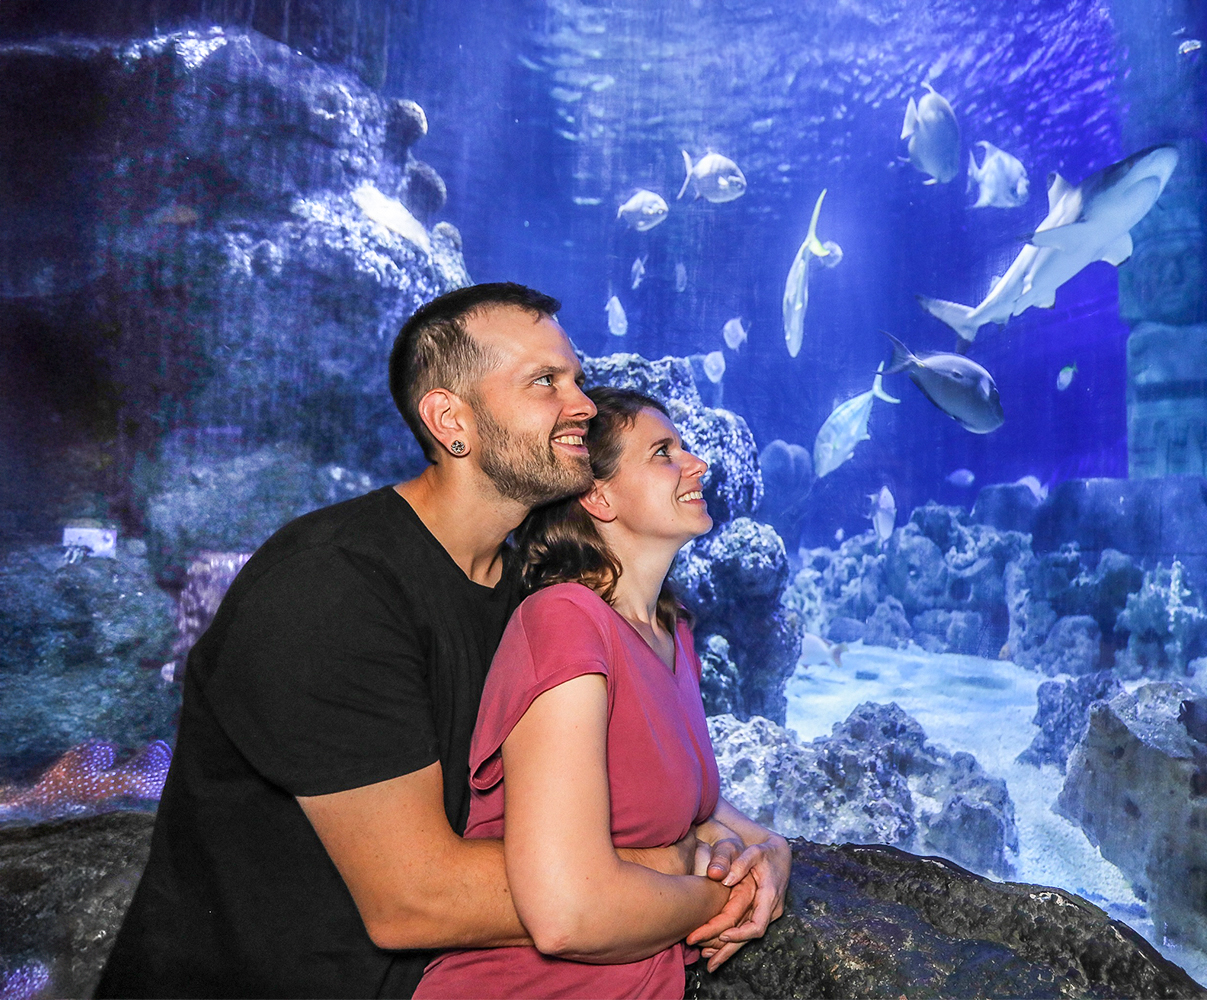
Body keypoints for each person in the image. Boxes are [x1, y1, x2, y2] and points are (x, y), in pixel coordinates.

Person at [97, 284, 745, 998]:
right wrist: (671, 868)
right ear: (451, 421)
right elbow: (415, 898)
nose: (584, 405)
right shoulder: (330, 587)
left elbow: (628, 779)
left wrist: (751, 847)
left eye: (578, 380)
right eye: (545, 382)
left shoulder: (530, 595)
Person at [413, 387, 790, 999]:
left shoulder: (675, 633)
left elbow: (690, 808)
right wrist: (718, 895)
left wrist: (772, 853)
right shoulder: (565, 623)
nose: (698, 465)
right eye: (664, 452)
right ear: (598, 494)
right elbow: (567, 917)